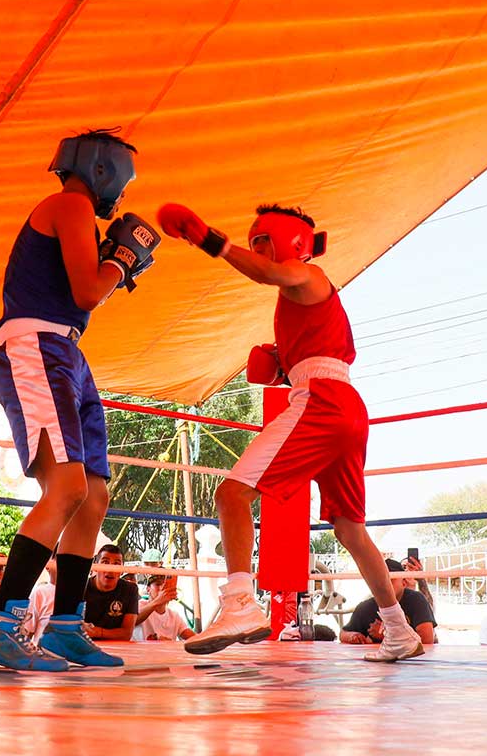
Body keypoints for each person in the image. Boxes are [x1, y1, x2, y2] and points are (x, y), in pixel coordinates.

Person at [159, 202, 423, 663]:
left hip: (320, 401)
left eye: (264, 238)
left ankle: (240, 602)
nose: (258, 245)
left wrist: (212, 241)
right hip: (343, 406)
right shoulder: (300, 305)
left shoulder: (309, 276)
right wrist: (281, 365)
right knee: (349, 530)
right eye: (253, 238)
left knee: (232, 495)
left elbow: (267, 273)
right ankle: (400, 631)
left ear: (293, 242)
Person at [0, 129, 159, 673]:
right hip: (37, 346)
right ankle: (2, 621)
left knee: (94, 494)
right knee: (68, 486)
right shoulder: (69, 205)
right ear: (107, 171)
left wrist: (112, 262)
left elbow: (79, 291)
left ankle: (68, 626)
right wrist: (120, 261)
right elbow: (86, 293)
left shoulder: (73, 212)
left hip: (67, 353)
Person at [339, 558, 436, 645]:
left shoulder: (416, 600)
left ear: (404, 582)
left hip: (413, 661)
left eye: (390, 580)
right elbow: (343, 634)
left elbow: (427, 639)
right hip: (376, 663)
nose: (384, 585)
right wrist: (353, 636)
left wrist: (386, 636)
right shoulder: (366, 606)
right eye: (378, 580)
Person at [82, 544, 139, 641]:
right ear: (95, 566)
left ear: (122, 570)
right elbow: (73, 627)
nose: (111, 568)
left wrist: (96, 631)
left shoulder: (130, 589)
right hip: (84, 646)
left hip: (117, 648)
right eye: (105, 562)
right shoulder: (81, 587)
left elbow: (127, 634)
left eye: (116, 564)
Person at [137, 574, 196, 641]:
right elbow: (135, 619)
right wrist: (158, 601)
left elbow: (193, 638)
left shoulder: (174, 616)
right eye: (158, 584)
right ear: (148, 589)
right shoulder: (140, 605)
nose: (162, 588)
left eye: (165, 585)